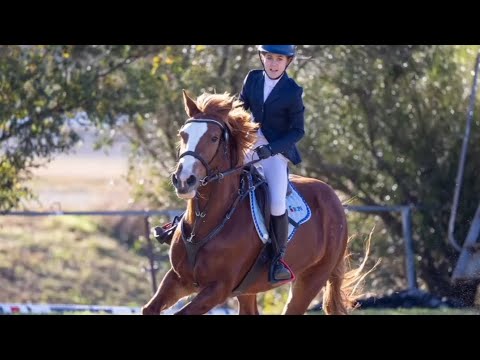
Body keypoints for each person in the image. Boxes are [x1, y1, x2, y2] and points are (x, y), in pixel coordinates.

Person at [240, 45, 305, 284]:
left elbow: (298, 131)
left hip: (275, 151)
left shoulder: (292, 90)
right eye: (269, 57)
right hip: (250, 142)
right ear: (262, 57)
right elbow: (240, 107)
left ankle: (277, 259)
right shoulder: (253, 78)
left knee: (277, 202)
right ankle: (179, 225)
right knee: (216, 171)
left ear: (287, 62)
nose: (273, 63)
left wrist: (272, 149)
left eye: (279, 59)